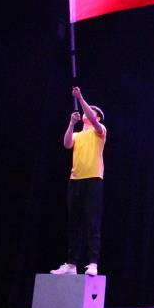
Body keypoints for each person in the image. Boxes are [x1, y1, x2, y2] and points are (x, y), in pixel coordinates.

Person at [50, 87, 107, 277]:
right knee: (74, 222)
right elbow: (66, 144)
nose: (87, 112)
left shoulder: (100, 131)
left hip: (93, 180)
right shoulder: (78, 135)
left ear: (97, 117)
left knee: (92, 222)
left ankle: (93, 262)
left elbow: (91, 117)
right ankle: (71, 264)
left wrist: (80, 98)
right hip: (75, 181)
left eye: (92, 111)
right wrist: (71, 123)